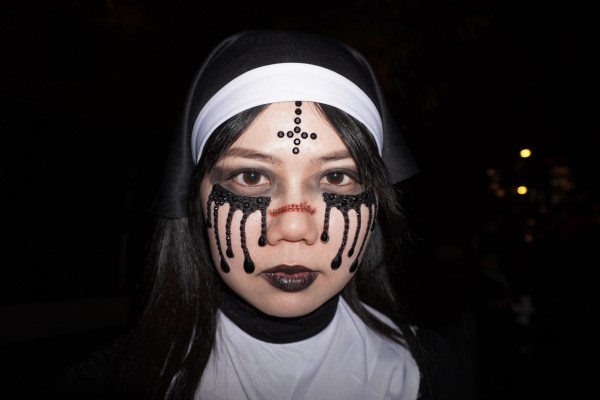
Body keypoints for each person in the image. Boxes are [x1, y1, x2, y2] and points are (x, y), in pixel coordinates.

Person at [58, 29, 467, 400]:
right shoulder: (107, 384)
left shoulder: (427, 373)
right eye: (251, 176)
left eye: (337, 176)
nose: (292, 227)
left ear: (376, 201)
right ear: (195, 200)